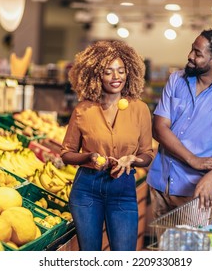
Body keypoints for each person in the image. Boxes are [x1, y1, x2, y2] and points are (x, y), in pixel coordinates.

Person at [60, 40, 154, 251]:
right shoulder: (83, 110)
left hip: (123, 188)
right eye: (108, 71)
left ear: (129, 73)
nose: (116, 77)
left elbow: (147, 153)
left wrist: (134, 159)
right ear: (95, 74)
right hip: (87, 189)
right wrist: (89, 158)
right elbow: (66, 153)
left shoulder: (140, 109)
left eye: (121, 71)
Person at [147, 28, 212, 219]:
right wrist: (192, 159)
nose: (190, 56)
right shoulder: (176, 80)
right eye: (192, 49)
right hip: (161, 183)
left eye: (198, 53)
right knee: (163, 247)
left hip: (196, 191)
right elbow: (159, 128)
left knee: (193, 248)